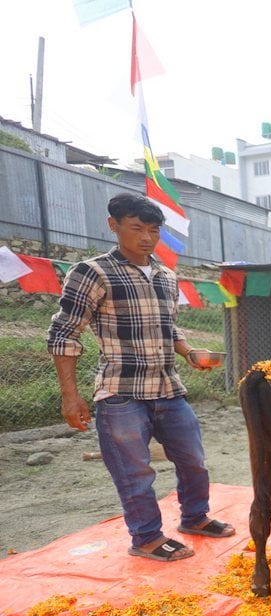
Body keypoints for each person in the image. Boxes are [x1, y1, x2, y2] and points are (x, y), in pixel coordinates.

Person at [47, 193, 235, 562]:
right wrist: (70, 396)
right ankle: (146, 537)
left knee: (194, 460)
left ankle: (195, 517)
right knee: (134, 473)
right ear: (113, 225)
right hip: (121, 392)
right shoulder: (92, 272)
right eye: (137, 228)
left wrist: (189, 352)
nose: (147, 237)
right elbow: (63, 334)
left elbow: (168, 328)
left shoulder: (166, 276)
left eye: (154, 230)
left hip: (169, 389)